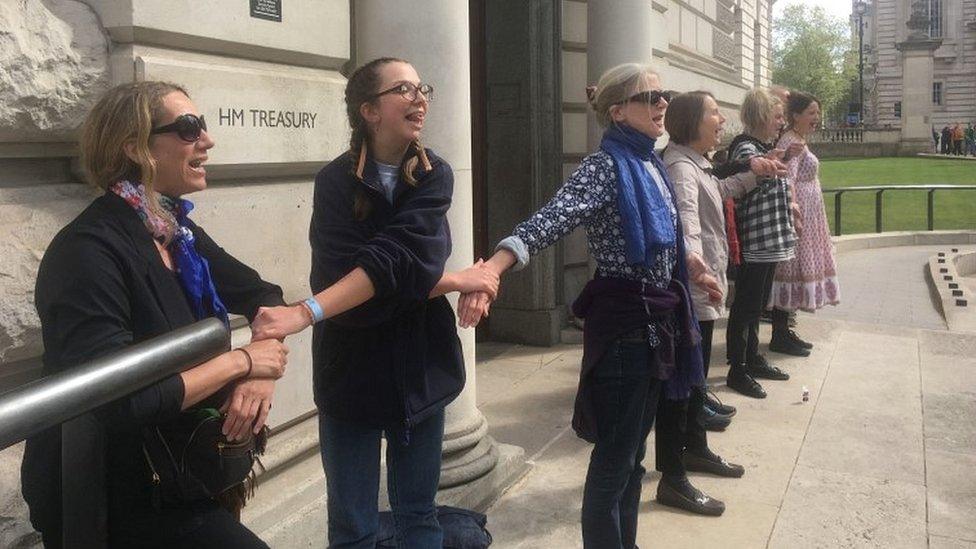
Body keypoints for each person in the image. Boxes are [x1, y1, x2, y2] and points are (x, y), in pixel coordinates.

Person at [457, 63, 719, 547]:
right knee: (614, 463)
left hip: (655, 324)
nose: (663, 103)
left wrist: (692, 266)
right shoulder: (605, 167)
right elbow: (552, 218)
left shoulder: (649, 162)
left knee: (633, 460)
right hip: (624, 331)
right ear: (618, 112)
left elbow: (666, 238)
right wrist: (494, 265)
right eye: (651, 96)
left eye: (665, 94)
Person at [22, 81, 290, 548]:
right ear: (134, 146)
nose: (207, 140)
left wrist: (260, 376)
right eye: (189, 128)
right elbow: (120, 401)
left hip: (178, 475)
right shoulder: (88, 251)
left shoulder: (174, 232)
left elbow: (266, 296)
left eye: (202, 126)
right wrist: (242, 362)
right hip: (108, 499)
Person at [248, 57, 498, 548]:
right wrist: (450, 280)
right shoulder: (334, 181)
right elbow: (354, 275)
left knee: (419, 517)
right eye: (403, 89)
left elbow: (403, 262)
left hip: (421, 372)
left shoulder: (434, 175)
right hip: (351, 376)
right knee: (352, 527)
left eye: (422, 87)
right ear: (369, 110)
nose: (420, 97)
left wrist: (320, 306)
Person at [659, 91, 787, 509]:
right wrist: (700, 271)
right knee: (683, 384)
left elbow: (722, 188)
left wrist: (758, 174)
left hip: (704, 284)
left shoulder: (696, 163)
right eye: (715, 113)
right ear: (692, 121)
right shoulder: (680, 166)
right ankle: (674, 477)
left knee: (694, 381)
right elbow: (687, 224)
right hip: (697, 289)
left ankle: (694, 449)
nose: (722, 120)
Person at [718, 88, 799, 399]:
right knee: (746, 307)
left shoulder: (764, 147)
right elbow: (748, 164)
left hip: (768, 242)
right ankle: (737, 368)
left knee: (756, 305)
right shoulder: (746, 148)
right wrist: (765, 162)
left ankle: (751, 358)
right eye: (776, 117)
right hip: (755, 242)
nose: (781, 123)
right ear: (761, 117)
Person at [768, 92, 840, 352]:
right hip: (801, 217)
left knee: (793, 271)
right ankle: (780, 334)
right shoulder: (790, 141)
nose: (816, 118)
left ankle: (785, 330)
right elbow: (788, 179)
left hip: (811, 214)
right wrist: (794, 213)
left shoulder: (797, 139)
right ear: (795, 115)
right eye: (811, 113)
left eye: (817, 113)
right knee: (789, 269)